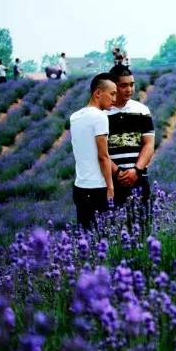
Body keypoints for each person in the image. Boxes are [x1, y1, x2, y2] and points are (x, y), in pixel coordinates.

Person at [70, 73, 117, 229]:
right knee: (101, 240)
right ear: (98, 93)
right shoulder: (100, 117)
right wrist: (110, 187)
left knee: (84, 236)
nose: (114, 99)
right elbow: (103, 156)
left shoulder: (75, 117)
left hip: (79, 187)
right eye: (112, 94)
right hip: (97, 188)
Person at [106, 64, 155, 213]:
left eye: (132, 85)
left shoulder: (142, 111)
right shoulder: (102, 114)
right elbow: (99, 151)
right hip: (112, 181)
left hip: (139, 178)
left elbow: (149, 144)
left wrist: (136, 170)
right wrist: (118, 172)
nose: (129, 89)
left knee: (143, 228)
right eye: (124, 86)